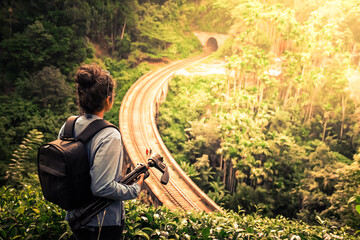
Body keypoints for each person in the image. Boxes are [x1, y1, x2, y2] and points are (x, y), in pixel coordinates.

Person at [58, 64, 145, 240]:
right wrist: (135, 188)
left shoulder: (68, 126)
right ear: (108, 100)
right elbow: (102, 187)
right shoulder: (109, 136)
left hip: (75, 218)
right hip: (101, 224)